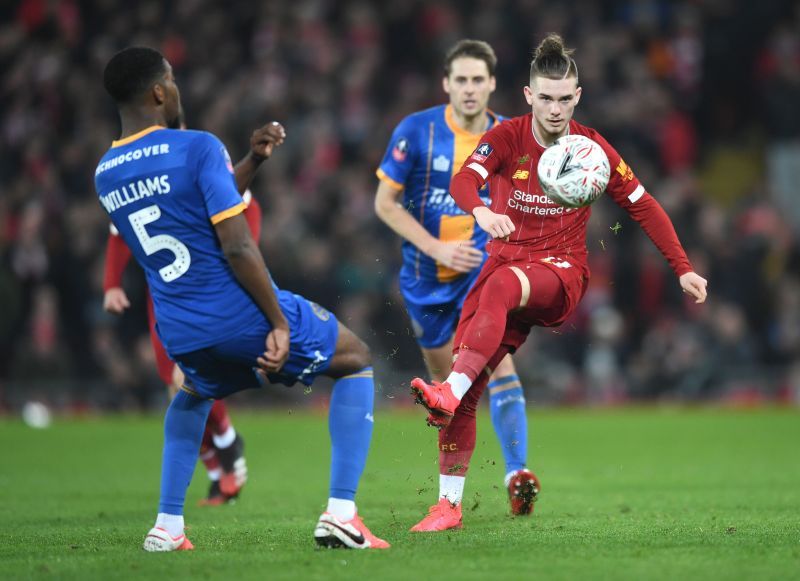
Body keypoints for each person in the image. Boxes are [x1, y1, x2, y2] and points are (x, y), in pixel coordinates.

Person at [96, 46, 388, 551]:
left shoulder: (106, 172)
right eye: (173, 81)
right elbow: (234, 242)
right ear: (160, 92)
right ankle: (342, 514)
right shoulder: (198, 146)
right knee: (356, 359)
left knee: (190, 396)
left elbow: (190, 212)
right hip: (238, 316)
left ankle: (167, 527)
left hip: (180, 329)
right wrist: (276, 321)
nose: (178, 90)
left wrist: (252, 161)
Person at [410, 34, 708, 528]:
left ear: (578, 96)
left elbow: (643, 205)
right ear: (528, 96)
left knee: (499, 296)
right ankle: (449, 505)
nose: (554, 108)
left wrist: (683, 267)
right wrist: (481, 211)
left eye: (564, 98)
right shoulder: (506, 138)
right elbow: (464, 181)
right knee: (467, 384)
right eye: (545, 98)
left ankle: (450, 391)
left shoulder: (592, 150)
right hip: (503, 266)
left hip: (560, 274)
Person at [375, 39, 537, 531]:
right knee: (450, 394)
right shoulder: (417, 131)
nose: (469, 89)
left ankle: (515, 473)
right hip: (427, 283)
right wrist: (437, 248)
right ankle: (451, 495)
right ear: (447, 84)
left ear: (492, 84)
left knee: (498, 367)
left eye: (478, 80)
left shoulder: (511, 136)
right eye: (460, 80)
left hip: (482, 277)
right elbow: (385, 203)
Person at [101, 114, 274, 505]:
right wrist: (111, 283)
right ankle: (220, 470)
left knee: (188, 381)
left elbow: (248, 208)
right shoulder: (139, 176)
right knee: (173, 387)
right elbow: (120, 231)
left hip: (204, 286)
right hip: (162, 291)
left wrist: (245, 266)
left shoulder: (200, 158)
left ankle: (227, 444)